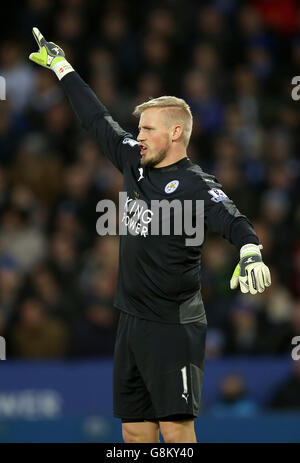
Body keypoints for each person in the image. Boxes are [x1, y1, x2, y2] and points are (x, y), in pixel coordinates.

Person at [29, 28, 271, 443]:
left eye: (147, 130)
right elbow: (96, 119)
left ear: (175, 133)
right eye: (138, 129)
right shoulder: (133, 161)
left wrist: (250, 251)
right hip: (131, 320)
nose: (137, 136)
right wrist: (61, 66)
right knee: (136, 431)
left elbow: (232, 218)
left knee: (176, 431)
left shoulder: (196, 183)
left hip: (173, 326)